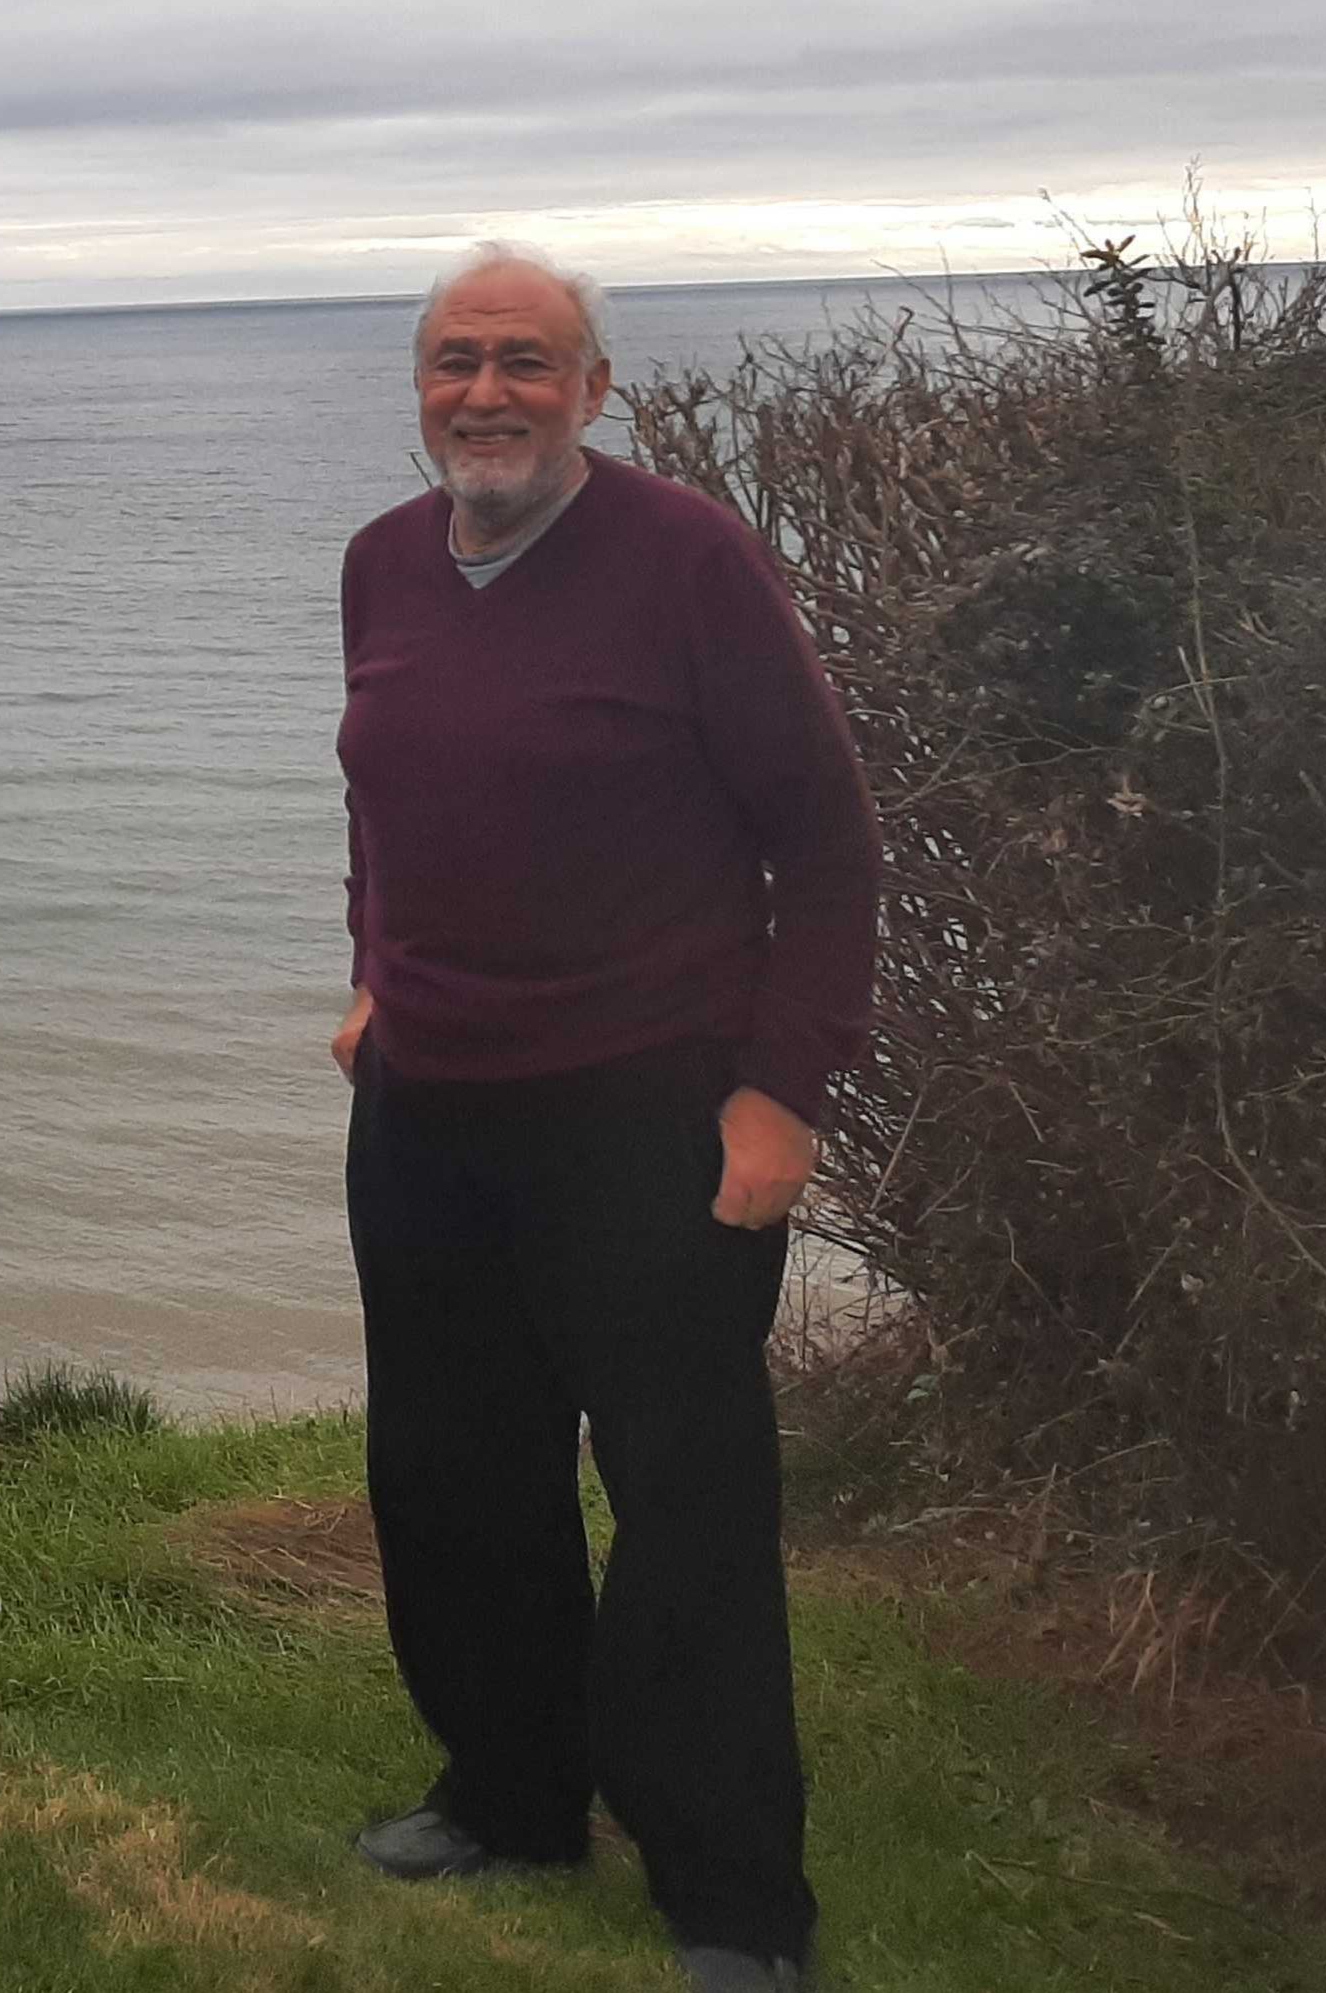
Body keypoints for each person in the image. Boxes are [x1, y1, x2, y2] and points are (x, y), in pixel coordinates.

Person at [328, 244, 878, 1993]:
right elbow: (390, 796)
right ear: (418, 385)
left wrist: (781, 1088)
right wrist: (371, 971)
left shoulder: (685, 561)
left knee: (684, 1501)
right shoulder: (381, 565)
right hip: (431, 1105)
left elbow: (829, 842)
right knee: (452, 1476)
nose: (486, 392)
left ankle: (731, 1901)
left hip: (648, 1107)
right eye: (454, 361)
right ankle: (511, 1799)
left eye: (527, 361)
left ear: (596, 388)